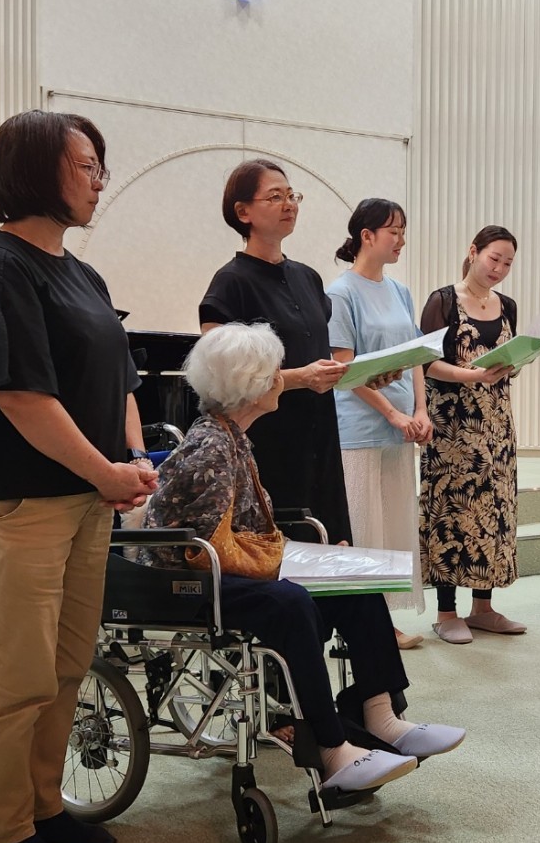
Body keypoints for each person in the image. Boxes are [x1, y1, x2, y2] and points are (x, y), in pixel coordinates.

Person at [0, 110, 158, 843]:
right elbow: (22, 397)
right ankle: (7, 836)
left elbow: (121, 381)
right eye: (85, 166)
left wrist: (133, 457)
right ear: (36, 169)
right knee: (20, 679)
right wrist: (106, 473)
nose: (99, 180)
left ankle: (44, 804)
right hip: (20, 505)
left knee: (67, 668)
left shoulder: (82, 274)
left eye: (100, 166)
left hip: (84, 502)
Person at [137, 323, 465, 792]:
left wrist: (317, 560)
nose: (280, 379)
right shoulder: (211, 446)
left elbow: (245, 537)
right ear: (251, 386)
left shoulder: (231, 436)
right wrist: (295, 563)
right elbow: (204, 549)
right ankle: (331, 749)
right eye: (272, 372)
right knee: (289, 602)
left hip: (216, 568)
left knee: (356, 584)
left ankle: (381, 715)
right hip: (185, 582)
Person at [199, 159, 353, 544]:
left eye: (292, 195)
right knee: (281, 550)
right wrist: (301, 378)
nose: (289, 205)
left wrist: (362, 373)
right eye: (275, 197)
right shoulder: (230, 283)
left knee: (330, 544)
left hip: (320, 434)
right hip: (268, 438)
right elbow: (222, 378)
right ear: (243, 212)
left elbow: (319, 352)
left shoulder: (308, 277)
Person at [327, 199, 430, 650]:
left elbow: (417, 357)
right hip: (361, 429)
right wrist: (391, 412)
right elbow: (345, 369)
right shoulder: (340, 293)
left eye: (403, 231)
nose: (401, 240)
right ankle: (361, 627)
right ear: (366, 236)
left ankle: (383, 620)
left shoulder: (401, 291)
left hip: (402, 425)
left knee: (393, 526)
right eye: (394, 231)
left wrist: (420, 410)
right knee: (365, 528)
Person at [418, 226, 520, 644]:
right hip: (453, 425)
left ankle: (483, 607)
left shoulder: (507, 305)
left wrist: (515, 362)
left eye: (507, 263)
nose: (499, 269)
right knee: (452, 511)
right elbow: (425, 362)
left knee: (493, 509)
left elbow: (507, 359)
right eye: (494, 259)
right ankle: (446, 612)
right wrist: (471, 375)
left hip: (496, 424)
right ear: (473, 252)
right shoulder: (443, 300)